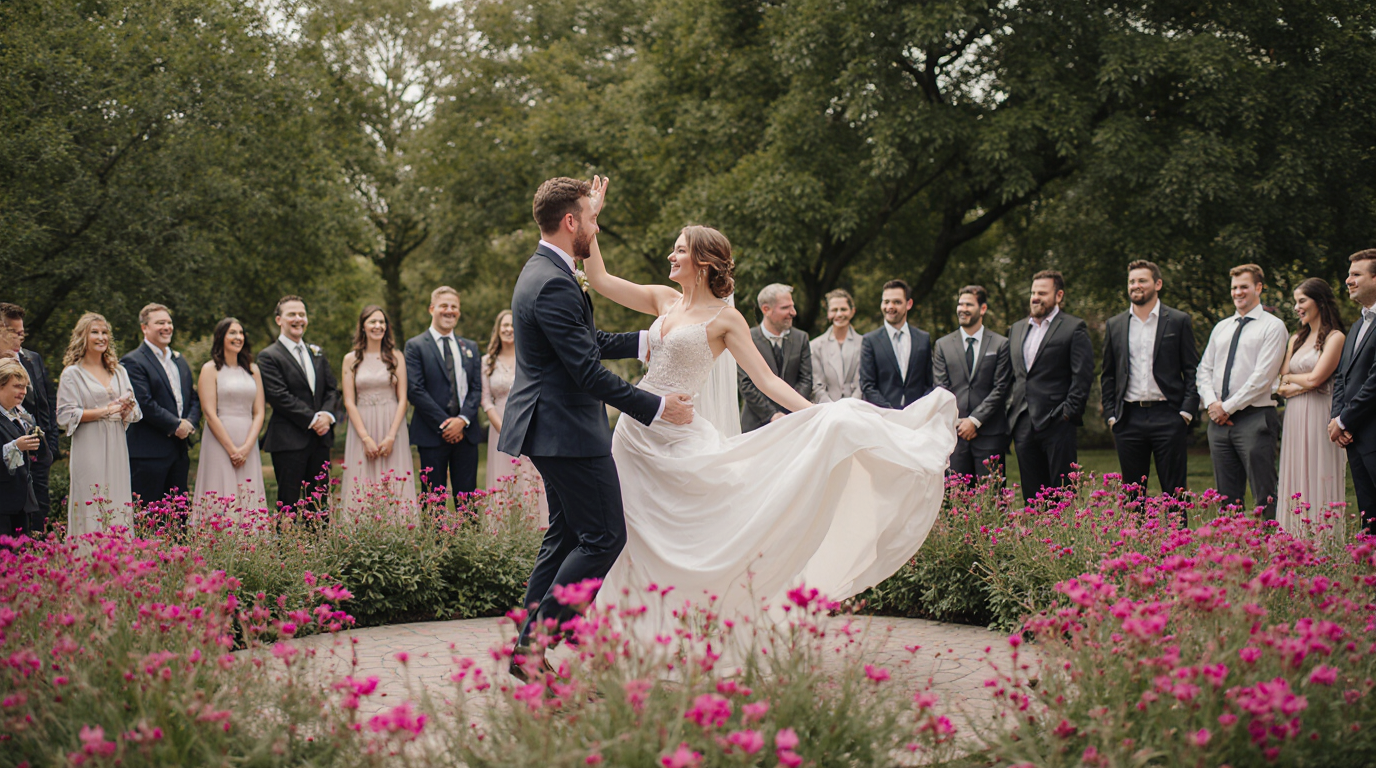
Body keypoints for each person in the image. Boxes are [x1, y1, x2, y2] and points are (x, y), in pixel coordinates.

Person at [563, 177, 954, 670]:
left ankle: (693, 627)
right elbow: (599, 278)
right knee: (632, 537)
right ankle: (635, 637)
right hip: (635, 435)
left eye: (679, 249)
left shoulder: (725, 321)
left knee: (695, 535)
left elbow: (767, 380)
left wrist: (818, 414)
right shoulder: (664, 299)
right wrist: (593, 221)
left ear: (703, 261)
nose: (670, 256)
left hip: (681, 437)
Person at [501, 177, 694, 679]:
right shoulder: (553, 283)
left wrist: (648, 340)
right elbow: (587, 373)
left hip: (550, 427)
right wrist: (657, 406)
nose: (596, 227)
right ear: (570, 222)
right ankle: (535, 645)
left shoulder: (545, 270)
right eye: (591, 219)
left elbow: (586, 343)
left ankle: (531, 647)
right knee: (605, 537)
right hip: (566, 431)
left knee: (565, 536)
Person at [1099, 261, 1200, 500]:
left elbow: (1192, 370)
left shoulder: (1178, 320)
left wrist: (1186, 412)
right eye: (1132, 281)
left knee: (1175, 494)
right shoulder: (1115, 324)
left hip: (1169, 415)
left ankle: (1177, 526)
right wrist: (1111, 415)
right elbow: (1108, 374)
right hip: (1128, 418)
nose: (1136, 285)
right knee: (1132, 498)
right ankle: (1136, 528)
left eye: (1142, 280)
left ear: (1158, 284)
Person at [1196, 264, 1288, 520]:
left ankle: (1271, 540)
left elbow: (1262, 377)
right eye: (1234, 287)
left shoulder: (1273, 327)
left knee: (1264, 493)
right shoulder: (1221, 327)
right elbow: (1203, 370)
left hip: (1255, 418)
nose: (1238, 292)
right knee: (1226, 497)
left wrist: (1226, 407)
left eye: (1244, 286)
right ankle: (1232, 542)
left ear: (1258, 287)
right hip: (1218, 422)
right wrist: (1212, 404)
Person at [1006, 270, 1095, 501]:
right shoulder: (1016, 329)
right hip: (1023, 423)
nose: (1035, 297)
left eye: (1042, 293)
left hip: (1058, 423)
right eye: (1033, 292)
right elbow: (1012, 376)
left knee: (1062, 495)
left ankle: (1062, 527)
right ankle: (1037, 526)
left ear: (1059, 296)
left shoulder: (1074, 327)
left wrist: (1067, 413)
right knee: (1032, 497)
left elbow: (1083, 375)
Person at [55, 313, 141, 535]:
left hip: (117, 442)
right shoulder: (72, 374)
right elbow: (65, 415)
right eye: (95, 332)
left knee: (118, 496)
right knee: (92, 497)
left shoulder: (119, 371)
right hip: (89, 442)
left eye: (104, 332)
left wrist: (126, 408)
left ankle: (119, 551)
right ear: (82, 336)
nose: (101, 337)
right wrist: (106, 411)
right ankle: (88, 552)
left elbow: (135, 411)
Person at [1275, 278, 1346, 539]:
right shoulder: (1295, 339)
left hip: (1319, 413)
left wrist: (1297, 381)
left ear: (1320, 302)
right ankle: (1293, 539)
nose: (1297, 307)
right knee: (1294, 472)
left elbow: (1316, 379)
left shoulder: (1335, 337)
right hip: (1294, 415)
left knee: (1319, 472)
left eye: (1302, 301)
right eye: (1296, 302)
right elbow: (1281, 383)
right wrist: (1304, 382)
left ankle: (1322, 541)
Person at [257, 296, 342, 511]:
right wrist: (313, 419)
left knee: (319, 506)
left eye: (302, 314)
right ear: (279, 320)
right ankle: (288, 536)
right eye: (292, 314)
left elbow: (332, 389)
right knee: (289, 506)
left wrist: (326, 416)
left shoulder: (317, 353)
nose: (298, 319)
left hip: (320, 440)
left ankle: (319, 535)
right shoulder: (268, 356)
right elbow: (278, 395)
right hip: (288, 441)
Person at [404, 287, 483, 505]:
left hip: (466, 434)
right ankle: (436, 532)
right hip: (431, 433)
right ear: (432, 309)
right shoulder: (415, 346)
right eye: (444, 306)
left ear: (459, 312)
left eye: (454, 307)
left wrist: (462, 420)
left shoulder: (470, 347)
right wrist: (446, 424)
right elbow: (415, 390)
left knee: (467, 502)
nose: (449, 311)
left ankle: (467, 531)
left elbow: (477, 388)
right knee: (433, 502)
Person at [121, 304, 201, 511]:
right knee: (149, 516)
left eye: (169, 322)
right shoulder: (133, 361)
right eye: (160, 323)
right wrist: (175, 425)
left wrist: (189, 423)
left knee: (179, 516)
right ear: (144, 328)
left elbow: (193, 397)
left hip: (179, 451)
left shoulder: (179, 361)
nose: (167, 327)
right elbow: (144, 402)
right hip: (148, 453)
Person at [340, 305, 416, 522]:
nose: (378, 326)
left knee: (394, 478)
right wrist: (365, 437)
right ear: (363, 326)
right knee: (362, 479)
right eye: (373, 321)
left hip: (391, 424)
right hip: (362, 424)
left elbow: (403, 399)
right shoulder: (350, 359)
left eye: (382, 322)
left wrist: (391, 436)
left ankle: (398, 529)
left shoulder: (396, 357)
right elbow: (349, 401)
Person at [933, 285, 1012, 479]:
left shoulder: (1001, 344)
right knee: (956, 494)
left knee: (991, 493)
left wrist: (975, 421)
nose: (962, 309)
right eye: (960, 304)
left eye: (968, 304)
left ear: (982, 308)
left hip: (990, 434)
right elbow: (941, 388)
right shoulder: (942, 345)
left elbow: (1001, 387)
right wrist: (960, 422)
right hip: (955, 434)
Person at [481, 309, 549, 526]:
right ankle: (501, 531)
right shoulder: (487, 362)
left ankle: (535, 528)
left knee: (530, 477)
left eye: (512, 325)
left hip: (530, 425)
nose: (509, 329)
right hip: (499, 427)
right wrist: (504, 430)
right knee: (503, 478)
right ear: (498, 330)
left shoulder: (529, 357)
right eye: (504, 325)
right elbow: (486, 400)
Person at [194, 318, 267, 516]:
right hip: (220, 438)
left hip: (247, 438)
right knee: (220, 491)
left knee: (248, 491)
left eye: (241, 333)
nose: (238, 337)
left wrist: (247, 447)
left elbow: (259, 411)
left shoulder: (252, 370)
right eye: (233, 333)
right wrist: (233, 450)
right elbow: (209, 412)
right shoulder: (210, 369)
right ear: (221, 337)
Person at [1330, 249, 1376, 535]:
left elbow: (1374, 381)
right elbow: (1342, 378)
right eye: (1349, 274)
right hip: (1356, 438)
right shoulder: (1357, 326)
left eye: (1356, 274)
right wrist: (1336, 418)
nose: (1348, 280)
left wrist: (1344, 419)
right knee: (1368, 516)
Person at [1, 303, 58, 530]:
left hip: (35, 454)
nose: (20, 338)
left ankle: (37, 550)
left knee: (38, 511)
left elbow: (46, 402)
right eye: (14, 332)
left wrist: (50, 444)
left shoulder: (32, 359)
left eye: (22, 332)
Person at [738, 284, 812, 432]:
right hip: (756, 425)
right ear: (766, 309)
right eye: (785, 308)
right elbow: (745, 384)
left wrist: (791, 412)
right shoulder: (747, 339)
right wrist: (772, 414)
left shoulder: (801, 338)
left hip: (795, 423)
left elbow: (806, 379)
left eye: (792, 306)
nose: (793, 312)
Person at [860, 279, 934, 409]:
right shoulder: (870, 341)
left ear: (909, 304)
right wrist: (890, 412)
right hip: (882, 415)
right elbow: (867, 386)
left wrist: (919, 409)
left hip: (918, 415)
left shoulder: (923, 339)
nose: (890, 307)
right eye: (886, 302)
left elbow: (930, 383)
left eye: (897, 302)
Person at [0, 358, 50, 537]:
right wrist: (15, 446)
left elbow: (44, 459)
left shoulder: (24, 417)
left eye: (25, 387)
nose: (23, 392)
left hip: (23, 502)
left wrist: (38, 440)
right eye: (17, 386)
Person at [809, 289, 863, 403]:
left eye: (843, 309)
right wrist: (831, 408)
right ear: (828, 313)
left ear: (852, 311)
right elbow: (817, 386)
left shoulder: (864, 344)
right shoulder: (815, 346)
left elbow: (862, 383)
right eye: (834, 310)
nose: (839, 314)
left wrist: (852, 405)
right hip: (826, 408)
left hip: (856, 407)